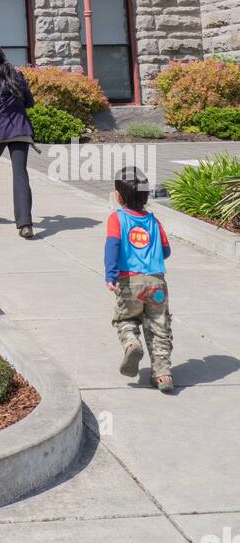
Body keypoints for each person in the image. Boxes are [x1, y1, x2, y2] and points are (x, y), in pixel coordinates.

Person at [105, 165, 174, 394]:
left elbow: (112, 246)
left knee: (125, 319)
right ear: (145, 197)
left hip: (129, 282)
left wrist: (111, 274)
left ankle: (131, 342)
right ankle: (163, 374)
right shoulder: (154, 221)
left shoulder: (117, 219)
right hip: (156, 282)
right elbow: (166, 251)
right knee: (159, 327)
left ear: (119, 195)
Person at [0, 42, 36, 239]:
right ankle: (25, 224)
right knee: (20, 174)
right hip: (20, 128)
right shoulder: (17, 75)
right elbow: (29, 102)